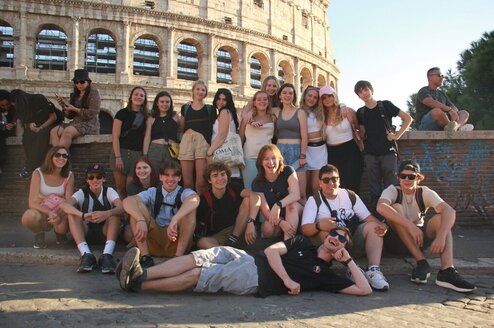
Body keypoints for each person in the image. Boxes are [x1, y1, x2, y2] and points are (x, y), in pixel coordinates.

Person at [117, 228, 372, 297]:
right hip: (249, 258)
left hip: (255, 280)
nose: (335, 238)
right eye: (334, 234)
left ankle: (137, 284)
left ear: (343, 247)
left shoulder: (325, 275)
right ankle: (143, 273)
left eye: (342, 239)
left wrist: (348, 262)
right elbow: (272, 252)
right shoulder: (303, 242)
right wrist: (287, 279)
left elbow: (364, 289)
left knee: (198, 275)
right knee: (198, 257)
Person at [377, 160, 476, 293]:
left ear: (418, 178)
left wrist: (441, 236)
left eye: (411, 177)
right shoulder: (392, 190)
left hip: (420, 239)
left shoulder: (424, 192)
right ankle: (421, 262)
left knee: (441, 219)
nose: (407, 179)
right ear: (398, 177)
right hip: (397, 241)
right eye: (403, 176)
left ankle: (447, 271)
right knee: (395, 207)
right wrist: (410, 226)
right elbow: (381, 207)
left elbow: (450, 211)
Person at [300, 164, 389, 291]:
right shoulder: (314, 200)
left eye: (334, 179)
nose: (331, 183)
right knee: (324, 232)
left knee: (374, 227)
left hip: (350, 240)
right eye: (326, 180)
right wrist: (319, 225)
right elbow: (305, 229)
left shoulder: (349, 195)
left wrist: (382, 226)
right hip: (330, 246)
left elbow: (368, 218)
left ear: (339, 180)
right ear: (320, 183)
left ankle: (373, 270)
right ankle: (352, 269)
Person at [122, 160, 199, 268]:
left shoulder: (184, 192)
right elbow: (127, 201)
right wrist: (140, 219)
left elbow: (194, 199)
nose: (170, 179)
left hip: (175, 240)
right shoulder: (153, 191)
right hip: (155, 240)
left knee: (190, 210)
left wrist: (176, 218)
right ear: (160, 177)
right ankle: (145, 256)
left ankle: (178, 258)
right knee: (136, 207)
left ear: (180, 178)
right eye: (166, 175)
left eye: (175, 175)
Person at [354, 80, 413, 214]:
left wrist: (397, 135)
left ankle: (394, 214)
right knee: (373, 187)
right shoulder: (361, 112)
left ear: (371, 90)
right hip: (370, 153)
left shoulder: (385, 105)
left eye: (366, 90)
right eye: (360, 92)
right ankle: (378, 215)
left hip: (388, 151)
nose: (364, 93)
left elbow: (408, 118)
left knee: (391, 185)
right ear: (358, 96)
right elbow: (362, 133)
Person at [58, 164, 123, 274]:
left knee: (114, 215)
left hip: (105, 232)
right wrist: (82, 215)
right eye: (91, 177)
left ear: (104, 179)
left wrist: (107, 213)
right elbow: (64, 205)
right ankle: (86, 254)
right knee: (72, 214)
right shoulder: (82, 193)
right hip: (86, 232)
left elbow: (122, 207)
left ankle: (107, 255)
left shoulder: (109, 191)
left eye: (98, 177)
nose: (95, 180)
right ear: (87, 180)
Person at [196, 162, 261, 249]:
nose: (220, 178)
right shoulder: (204, 198)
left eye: (223, 174)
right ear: (209, 180)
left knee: (247, 199)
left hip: (240, 228)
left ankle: (232, 242)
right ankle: (227, 253)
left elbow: (255, 197)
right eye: (215, 175)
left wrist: (251, 222)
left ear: (227, 176)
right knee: (202, 242)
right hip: (220, 235)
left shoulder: (233, 187)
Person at [21, 146, 74, 248]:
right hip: (42, 211)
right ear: (50, 157)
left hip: (60, 211)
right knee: (29, 216)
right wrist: (50, 211)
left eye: (65, 156)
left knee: (64, 224)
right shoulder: (38, 173)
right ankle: (39, 234)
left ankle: (60, 235)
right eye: (57, 155)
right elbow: (32, 202)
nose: (61, 158)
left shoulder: (69, 175)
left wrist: (57, 213)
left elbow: (69, 201)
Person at [252, 144, 302, 240]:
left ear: (279, 160)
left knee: (290, 205)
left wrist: (278, 204)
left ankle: (288, 244)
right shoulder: (257, 182)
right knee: (267, 229)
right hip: (276, 216)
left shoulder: (288, 170)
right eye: (266, 159)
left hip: (295, 210)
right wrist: (281, 222)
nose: (271, 162)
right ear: (261, 162)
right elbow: (265, 210)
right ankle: (278, 240)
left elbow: (296, 195)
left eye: (274, 158)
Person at [322, 86, 363, 194]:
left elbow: (361, 128)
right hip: (332, 153)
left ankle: (354, 208)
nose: (327, 99)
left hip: (350, 150)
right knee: (336, 184)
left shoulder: (347, 111)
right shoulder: (322, 116)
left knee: (353, 182)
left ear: (334, 96)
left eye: (329, 96)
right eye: (324, 98)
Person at [9, 89, 58, 178]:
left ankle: (31, 166)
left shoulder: (39, 98)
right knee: (27, 137)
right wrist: (30, 125)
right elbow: (25, 123)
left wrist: (41, 127)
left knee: (42, 135)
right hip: (36, 128)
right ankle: (31, 165)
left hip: (51, 124)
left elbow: (53, 117)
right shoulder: (21, 109)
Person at [178, 80, 217, 193]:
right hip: (187, 141)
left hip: (203, 142)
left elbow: (215, 128)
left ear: (206, 93)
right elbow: (181, 126)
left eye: (203, 90)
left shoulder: (210, 109)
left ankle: (202, 208)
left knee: (201, 183)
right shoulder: (185, 108)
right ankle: (189, 208)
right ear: (193, 91)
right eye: (198, 89)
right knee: (187, 182)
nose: (200, 91)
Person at [273, 83, 308, 202]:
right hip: (280, 152)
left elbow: (304, 135)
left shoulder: (300, 112)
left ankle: (304, 219)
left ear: (294, 96)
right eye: (284, 93)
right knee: (284, 190)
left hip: (296, 151)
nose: (287, 95)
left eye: (290, 93)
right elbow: (256, 108)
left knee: (301, 192)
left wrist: (303, 155)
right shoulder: (276, 112)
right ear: (280, 96)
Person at [111, 86, 148, 198]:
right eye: (136, 94)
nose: (138, 97)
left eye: (141, 95)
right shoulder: (122, 113)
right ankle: (123, 214)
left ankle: (131, 213)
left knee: (131, 188)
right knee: (120, 188)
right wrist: (118, 157)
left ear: (144, 99)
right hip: (121, 152)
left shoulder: (146, 116)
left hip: (136, 154)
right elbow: (115, 136)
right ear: (131, 97)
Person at [50, 69, 101, 149]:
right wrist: (63, 105)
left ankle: (62, 156)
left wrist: (75, 109)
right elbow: (70, 116)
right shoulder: (74, 95)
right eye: (76, 82)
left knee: (67, 132)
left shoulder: (93, 93)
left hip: (89, 123)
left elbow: (93, 112)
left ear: (88, 82)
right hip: (75, 122)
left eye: (82, 82)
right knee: (54, 131)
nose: (79, 84)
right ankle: (58, 156)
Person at [239, 91, 276, 190]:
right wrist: (239, 155)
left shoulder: (273, 117)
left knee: (267, 190)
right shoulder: (247, 117)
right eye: (259, 99)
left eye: (265, 99)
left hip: (268, 159)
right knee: (250, 189)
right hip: (249, 157)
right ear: (254, 102)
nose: (262, 101)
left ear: (268, 102)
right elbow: (241, 136)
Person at [416, 67, 471, 132]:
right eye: (439, 75)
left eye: (442, 76)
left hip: (442, 124)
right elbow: (430, 102)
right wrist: (449, 110)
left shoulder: (442, 93)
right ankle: (453, 128)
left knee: (464, 113)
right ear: (429, 77)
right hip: (425, 125)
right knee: (437, 111)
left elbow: (454, 108)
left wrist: (454, 112)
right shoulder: (423, 91)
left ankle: (455, 128)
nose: (442, 78)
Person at [206, 88, 242, 185]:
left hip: (222, 155)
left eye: (224, 100)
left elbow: (222, 134)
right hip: (227, 155)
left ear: (228, 101)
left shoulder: (224, 112)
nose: (220, 102)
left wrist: (209, 152)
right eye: (219, 98)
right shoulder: (228, 113)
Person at [300, 86, 327, 195]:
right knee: (305, 188)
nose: (312, 99)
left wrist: (343, 106)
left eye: (315, 97)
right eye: (309, 96)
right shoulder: (299, 111)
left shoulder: (322, 111)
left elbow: (336, 107)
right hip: (305, 150)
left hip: (320, 151)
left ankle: (318, 210)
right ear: (304, 96)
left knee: (316, 186)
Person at [143, 91, 179, 171]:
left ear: (170, 103)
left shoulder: (175, 117)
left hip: (171, 150)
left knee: (170, 174)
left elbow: (181, 132)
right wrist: (145, 154)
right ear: (157, 103)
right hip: (155, 149)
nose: (165, 104)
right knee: (155, 175)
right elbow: (147, 137)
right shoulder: (151, 118)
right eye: (162, 101)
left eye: (167, 102)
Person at [0, 90, 16, 175]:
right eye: (2, 105)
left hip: (9, 131)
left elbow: (16, 116)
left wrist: (13, 123)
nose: (6, 107)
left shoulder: (13, 108)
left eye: (7, 105)